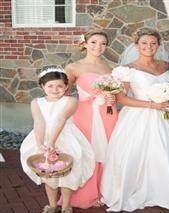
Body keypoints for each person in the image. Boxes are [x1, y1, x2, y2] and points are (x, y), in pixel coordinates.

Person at [100, 28, 169, 212]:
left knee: (166, 153)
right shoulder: (127, 70)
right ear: (136, 45)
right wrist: (151, 105)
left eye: (153, 43)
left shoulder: (166, 66)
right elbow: (121, 99)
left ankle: (167, 192)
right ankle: (137, 190)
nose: (149, 46)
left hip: (164, 117)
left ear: (158, 45)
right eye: (144, 43)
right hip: (138, 116)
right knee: (138, 154)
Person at [20, 66, 95, 213]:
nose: (55, 89)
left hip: (66, 137)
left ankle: (66, 205)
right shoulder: (36, 102)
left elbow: (61, 119)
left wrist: (52, 143)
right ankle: (52, 205)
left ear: (66, 86)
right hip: (43, 137)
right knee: (49, 173)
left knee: (68, 173)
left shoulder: (71, 101)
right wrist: (41, 144)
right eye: (50, 86)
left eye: (60, 86)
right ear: (42, 86)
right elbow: (39, 122)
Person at [65, 30, 118, 208]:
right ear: (85, 44)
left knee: (108, 150)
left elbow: (117, 92)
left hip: (108, 114)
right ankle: (87, 192)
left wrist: (113, 98)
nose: (98, 47)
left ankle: (104, 190)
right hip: (84, 114)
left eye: (103, 43)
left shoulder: (111, 68)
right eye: (94, 42)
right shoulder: (74, 67)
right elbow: (63, 93)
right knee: (87, 151)